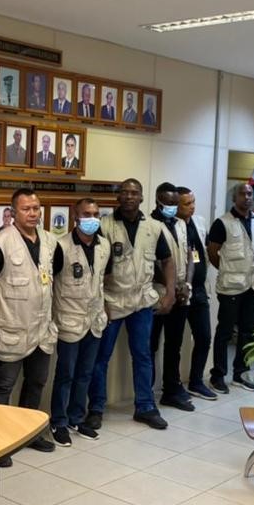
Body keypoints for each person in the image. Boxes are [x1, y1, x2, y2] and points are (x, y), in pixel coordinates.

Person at [0, 188, 59, 463]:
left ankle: (28, 434)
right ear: (13, 213)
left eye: (36, 208)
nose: (33, 213)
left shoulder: (50, 241)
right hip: (12, 328)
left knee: (36, 382)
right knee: (4, 385)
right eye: (26, 209)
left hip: (41, 328)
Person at [87, 179, 175, 430]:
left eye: (134, 193)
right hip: (111, 301)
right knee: (100, 358)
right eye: (124, 192)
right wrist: (99, 301)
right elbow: (94, 264)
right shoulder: (104, 225)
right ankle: (96, 408)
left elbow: (167, 261)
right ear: (118, 197)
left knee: (143, 355)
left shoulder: (154, 227)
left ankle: (145, 407)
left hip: (141, 301)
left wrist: (169, 293)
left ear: (142, 197)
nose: (129, 196)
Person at [49, 198, 111, 446]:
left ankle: (76, 417)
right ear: (75, 217)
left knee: (85, 373)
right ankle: (59, 421)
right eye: (86, 214)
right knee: (65, 374)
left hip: (94, 321)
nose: (92, 219)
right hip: (69, 319)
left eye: (95, 214)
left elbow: (103, 280)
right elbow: (50, 283)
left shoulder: (104, 245)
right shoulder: (61, 246)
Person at [207, 182, 254, 392]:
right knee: (225, 331)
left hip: (253, 285)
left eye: (250, 194)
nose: (247, 197)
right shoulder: (222, 223)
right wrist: (227, 270)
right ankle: (218, 375)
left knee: (248, 332)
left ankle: (241, 374)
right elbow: (212, 252)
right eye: (242, 194)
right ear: (234, 198)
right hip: (231, 286)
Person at [148, 183, 194, 411]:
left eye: (176, 203)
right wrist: (170, 286)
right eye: (169, 203)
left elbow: (190, 255)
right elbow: (152, 262)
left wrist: (187, 285)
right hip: (158, 293)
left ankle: (171, 390)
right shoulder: (150, 225)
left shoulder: (181, 224)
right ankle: (146, 395)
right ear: (158, 200)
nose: (173, 207)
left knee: (174, 345)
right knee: (150, 346)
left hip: (182, 293)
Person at [173, 186, 216, 401]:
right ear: (176, 206)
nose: (192, 207)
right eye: (187, 204)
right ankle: (174, 385)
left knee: (204, 337)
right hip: (180, 291)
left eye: (193, 202)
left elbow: (204, 252)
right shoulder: (172, 225)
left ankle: (196, 381)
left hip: (199, 289)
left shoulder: (199, 222)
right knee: (175, 342)